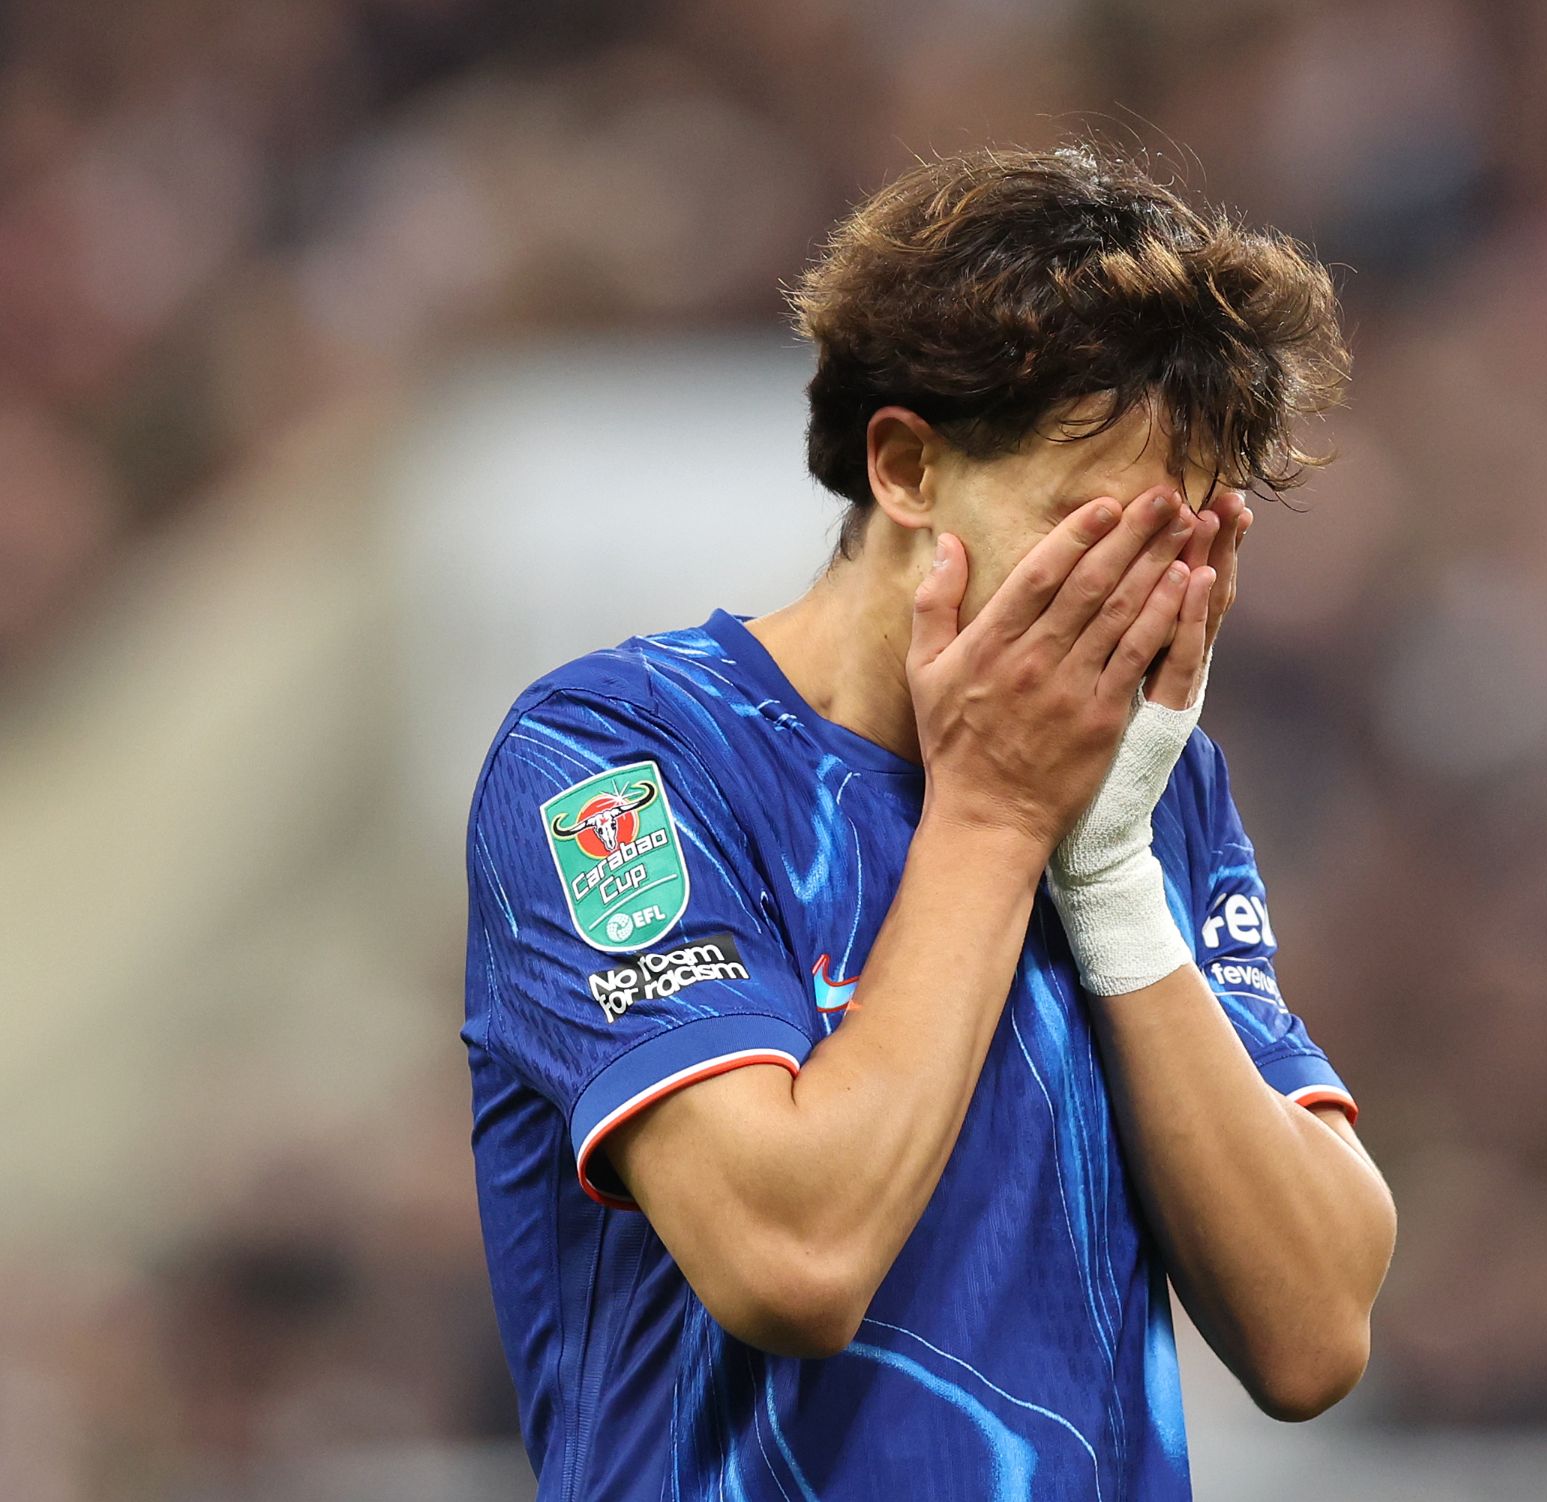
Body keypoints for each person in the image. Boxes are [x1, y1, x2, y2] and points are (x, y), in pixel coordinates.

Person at [461, 142, 1397, 1501]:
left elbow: (1313, 1330)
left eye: (1185, 543)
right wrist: (997, 813)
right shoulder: (620, 759)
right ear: (905, 467)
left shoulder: (1145, 792)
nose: (1141, 600)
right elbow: (790, 1257)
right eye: (1089, 530)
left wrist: (1116, 878)